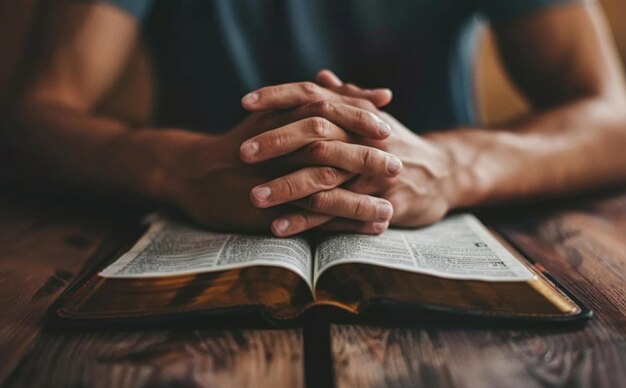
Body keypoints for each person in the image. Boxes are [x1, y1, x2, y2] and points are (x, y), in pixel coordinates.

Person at [10, 0, 626, 237]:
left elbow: (612, 118)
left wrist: (451, 166)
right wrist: (184, 168)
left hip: (443, 236)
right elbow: (31, 119)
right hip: (200, 230)